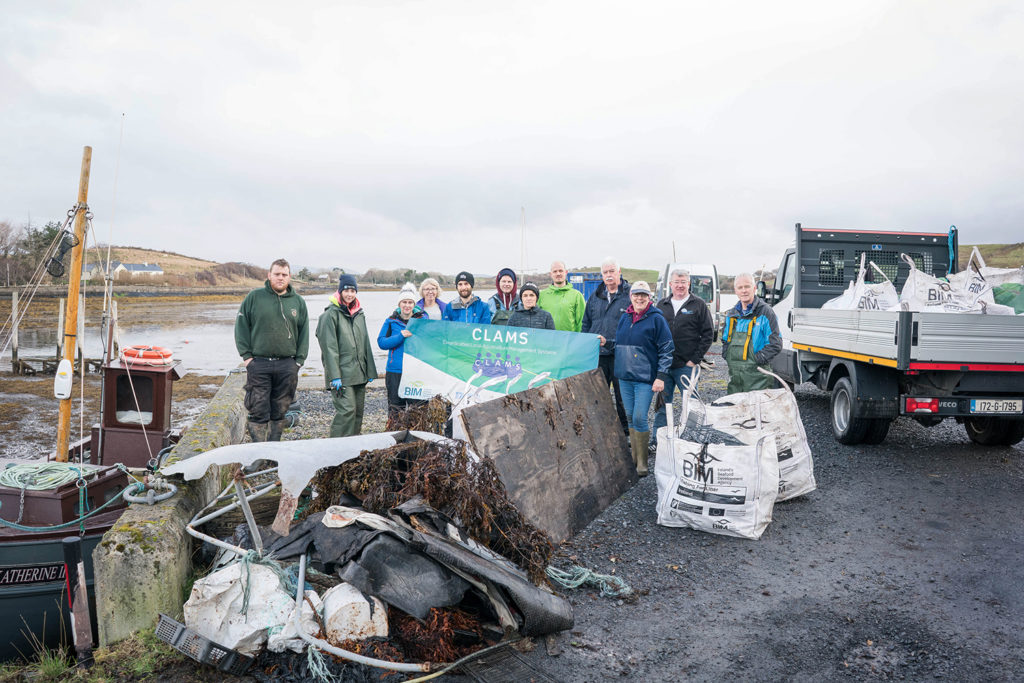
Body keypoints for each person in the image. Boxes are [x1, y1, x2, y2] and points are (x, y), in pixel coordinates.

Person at [234, 258, 308, 442]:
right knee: (258, 410)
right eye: (277, 274)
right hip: (259, 364)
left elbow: (304, 332)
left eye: (284, 275)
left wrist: (298, 361)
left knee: (280, 411)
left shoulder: (298, 302)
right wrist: (247, 358)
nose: (280, 278)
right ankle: (258, 455)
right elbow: (241, 327)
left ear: (290, 277)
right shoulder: (254, 297)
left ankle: (273, 452)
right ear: (269, 275)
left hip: (287, 365)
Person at [613, 281, 673, 476]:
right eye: (636, 294)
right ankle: (634, 459)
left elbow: (666, 349)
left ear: (650, 298)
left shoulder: (657, 319)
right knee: (629, 416)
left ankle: (643, 464)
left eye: (643, 295)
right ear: (631, 296)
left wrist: (661, 376)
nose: (639, 298)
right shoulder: (625, 317)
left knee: (640, 416)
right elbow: (621, 342)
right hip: (625, 376)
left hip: (645, 378)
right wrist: (607, 342)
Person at [651, 268, 715, 440]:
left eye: (683, 282)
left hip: (687, 367)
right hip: (665, 367)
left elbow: (708, 333)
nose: (680, 286)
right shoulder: (661, 305)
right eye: (676, 282)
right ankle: (658, 441)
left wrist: (695, 359)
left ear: (689, 284)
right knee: (663, 405)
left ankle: (693, 439)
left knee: (692, 405)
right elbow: (653, 333)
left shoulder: (698, 304)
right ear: (670, 284)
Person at [316, 274, 376, 437]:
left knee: (357, 413)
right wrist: (334, 376)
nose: (350, 294)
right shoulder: (330, 315)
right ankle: (335, 450)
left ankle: (353, 450)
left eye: (353, 290)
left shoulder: (359, 314)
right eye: (346, 290)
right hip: (341, 375)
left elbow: (365, 342)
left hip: (359, 373)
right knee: (346, 412)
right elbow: (329, 349)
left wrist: (369, 370)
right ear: (340, 291)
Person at [581, 258, 632, 435]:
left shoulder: (629, 296)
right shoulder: (595, 297)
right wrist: (586, 346)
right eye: (605, 272)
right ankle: (601, 432)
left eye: (612, 271)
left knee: (622, 397)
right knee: (598, 396)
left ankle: (626, 433)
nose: (609, 275)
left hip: (621, 356)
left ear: (619, 272)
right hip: (599, 356)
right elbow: (586, 323)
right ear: (602, 275)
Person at [722, 272, 782, 393]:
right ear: (736, 291)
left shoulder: (766, 312)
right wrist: (726, 355)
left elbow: (776, 344)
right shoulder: (731, 315)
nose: (744, 290)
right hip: (735, 378)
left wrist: (756, 359)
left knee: (757, 411)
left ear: (754, 288)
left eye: (747, 286)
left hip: (758, 377)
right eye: (740, 287)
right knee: (735, 409)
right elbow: (725, 340)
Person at [378, 283, 425, 417]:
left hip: (415, 371)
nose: (407, 305)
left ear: (414, 304)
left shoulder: (422, 320)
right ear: (399, 304)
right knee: (395, 409)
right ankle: (395, 436)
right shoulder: (391, 321)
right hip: (395, 371)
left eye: (410, 302)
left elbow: (428, 342)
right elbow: (381, 342)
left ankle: (416, 437)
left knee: (416, 410)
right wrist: (400, 336)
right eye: (404, 302)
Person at [537, 260, 586, 332]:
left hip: (568, 341)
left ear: (566, 272)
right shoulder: (541, 295)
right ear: (551, 274)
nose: (558, 273)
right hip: (547, 340)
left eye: (561, 271)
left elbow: (582, 322)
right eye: (555, 271)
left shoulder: (577, 295)